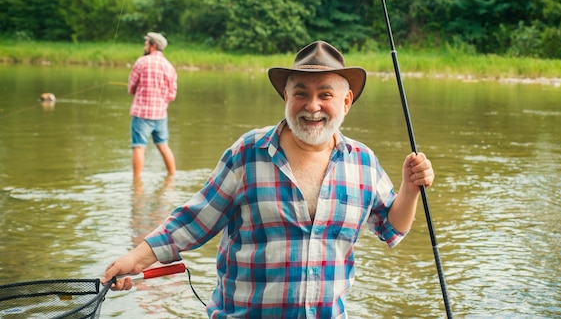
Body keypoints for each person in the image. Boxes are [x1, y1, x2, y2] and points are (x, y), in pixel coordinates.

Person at [103, 41, 435, 318]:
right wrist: (133, 259)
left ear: (346, 102)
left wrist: (410, 189)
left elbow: (392, 228)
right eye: (301, 93)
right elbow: (193, 221)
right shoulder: (249, 152)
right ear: (286, 98)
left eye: (326, 95)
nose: (312, 106)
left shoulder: (363, 162)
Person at [128, 32, 178, 179]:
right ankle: (172, 177)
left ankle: (136, 184)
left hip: (142, 114)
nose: (145, 46)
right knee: (163, 146)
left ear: (153, 46)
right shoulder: (169, 67)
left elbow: (131, 88)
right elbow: (172, 95)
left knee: (139, 148)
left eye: (146, 44)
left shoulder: (141, 62)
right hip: (161, 115)